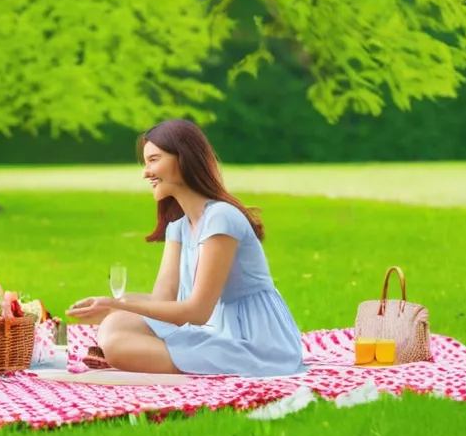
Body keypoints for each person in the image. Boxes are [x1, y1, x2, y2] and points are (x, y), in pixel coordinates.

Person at [66, 119, 306, 377]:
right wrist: (113, 306)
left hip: (256, 344)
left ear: (183, 159)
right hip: (215, 332)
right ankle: (160, 358)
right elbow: (162, 302)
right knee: (115, 324)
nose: (145, 172)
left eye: (154, 160)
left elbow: (197, 312)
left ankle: (164, 362)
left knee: (116, 343)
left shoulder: (221, 217)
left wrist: (120, 304)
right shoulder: (178, 226)